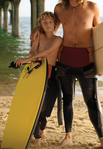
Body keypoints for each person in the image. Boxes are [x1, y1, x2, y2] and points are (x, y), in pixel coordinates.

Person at [30, 0, 103, 149]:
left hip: (86, 60)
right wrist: (38, 28)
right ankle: (68, 136)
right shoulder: (59, 9)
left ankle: (102, 138)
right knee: (67, 99)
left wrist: (102, 62)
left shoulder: (92, 7)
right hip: (65, 59)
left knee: (92, 100)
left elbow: (101, 35)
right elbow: (50, 27)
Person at [14, 11, 63, 147]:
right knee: (35, 106)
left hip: (52, 73)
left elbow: (47, 52)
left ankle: (42, 128)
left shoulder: (58, 39)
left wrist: (28, 59)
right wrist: (34, 58)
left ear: (54, 24)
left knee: (46, 110)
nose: (48, 24)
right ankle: (37, 138)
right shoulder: (39, 36)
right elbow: (32, 51)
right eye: (44, 22)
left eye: (50, 22)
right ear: (40, 25)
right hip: (38, 71)